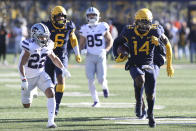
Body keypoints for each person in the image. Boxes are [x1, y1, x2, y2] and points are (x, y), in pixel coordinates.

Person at [113, 8, 174, 127]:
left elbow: (167, 46)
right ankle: (138, 102)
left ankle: (150, 115)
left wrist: (169, 65)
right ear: (136, 22)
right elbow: (116, 43)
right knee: (140, 79)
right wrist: (117, 56)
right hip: (135, 62)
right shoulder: (128, 31)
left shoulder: (156, 31)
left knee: (150, 94)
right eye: (142, 23)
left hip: (150, 63)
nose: (145, 26)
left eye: (147, 23)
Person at [18, 23, 71, 128]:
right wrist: (23, 79)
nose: (44, 39)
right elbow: (21, 65)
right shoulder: (30, 46)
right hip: (28, 77)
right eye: (41, 36)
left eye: (45, 36)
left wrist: (63, 69)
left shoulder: (49, 44)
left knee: (51, 93)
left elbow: (54, 58)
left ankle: (51, 122)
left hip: (40, 73)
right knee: (26, 105)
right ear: (34, 35)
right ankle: (32, 90)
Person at [42, 6, 81, 116]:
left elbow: (73, 39)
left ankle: (56, 106)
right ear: (53, 17)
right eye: (58, 17)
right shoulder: (47, 26)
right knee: (50, 84)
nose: (60, 19)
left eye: (62, 16)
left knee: (61, 79)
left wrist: (77, 53)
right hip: (49, 56)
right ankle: (52, 103)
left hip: (62, 56)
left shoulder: (69, 25)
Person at [79, 7, 113, 107]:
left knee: (101, 79)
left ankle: (104, 87)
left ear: (98, 16)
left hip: (100, 56)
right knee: (90, 80)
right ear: (87, 17)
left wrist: (106, 50)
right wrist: (80, 53)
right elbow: (81, 43)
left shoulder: (103, 26)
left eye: (93, 15)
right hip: (89, 56)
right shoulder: (84, 28)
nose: (92, 17)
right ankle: (96, 100)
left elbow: (110, 40)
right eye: (90, 15)